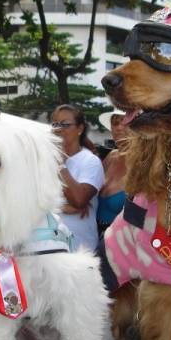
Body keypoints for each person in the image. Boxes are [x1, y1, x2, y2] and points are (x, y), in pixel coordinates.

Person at [51, 105, 104, 252]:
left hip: (79, 249)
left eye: (65, 124)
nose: (58, 129)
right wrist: (63, 207)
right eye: (55, 124)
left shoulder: (90, 161)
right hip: (49, 245)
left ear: (80, 129)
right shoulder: (44, 160)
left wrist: (60, 165)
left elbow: (78, 200)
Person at [96, 109, 128, 236]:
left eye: (125, 122)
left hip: (120, 241)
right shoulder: (111, 156)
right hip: (95, 235)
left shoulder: (143, 164)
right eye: (115, 123)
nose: (119, 127)